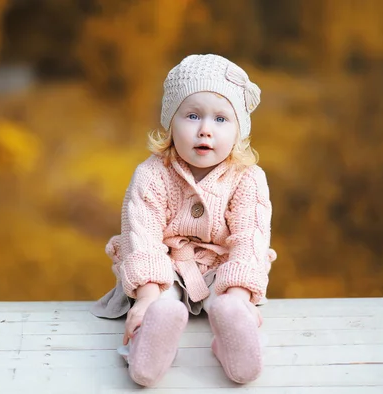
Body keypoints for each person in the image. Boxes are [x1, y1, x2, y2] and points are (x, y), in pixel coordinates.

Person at [90, 53, 276, 387]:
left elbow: (250, 239)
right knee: (160, 300)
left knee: (231, 299)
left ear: (239, 130)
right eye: (192, 116)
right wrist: (146, 295)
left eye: (221, 119)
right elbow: (141, 237)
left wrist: (238, 294)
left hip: (221, 265)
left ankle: (232, 335)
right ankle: (152, 344)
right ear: (171, 122)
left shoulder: (247, 178)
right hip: (167, 265)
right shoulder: (151, 174)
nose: (205, 130)